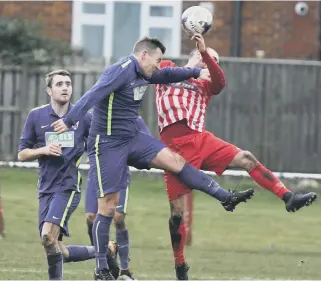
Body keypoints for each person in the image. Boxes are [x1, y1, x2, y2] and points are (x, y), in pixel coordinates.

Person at [51, 36, 255, 280]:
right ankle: (101, 269)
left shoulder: (146, 72)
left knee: (176, 162)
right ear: (144, 55)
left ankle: (225, 197)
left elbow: (168, 75)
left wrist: (195, 72)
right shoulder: (121, 71)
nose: (159, 65)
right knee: (107, 208)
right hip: (108, 143)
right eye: (157, 60)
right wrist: (68, 120)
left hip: (134, 137)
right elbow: (92, 95)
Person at [154, 33, 318, 280]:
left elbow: (220, 82)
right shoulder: (169, 70)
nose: (212, 65)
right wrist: (195, 62)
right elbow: (157, 73)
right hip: (173, 150)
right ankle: (180, 265)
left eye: (215, 61)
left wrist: (207, 55)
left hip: (200, 140)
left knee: (247, 158)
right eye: (207, 59)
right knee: (177, 214)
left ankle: (288, 197)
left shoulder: (207, 85)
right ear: (192, 56)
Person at [18, 69, 119, 280]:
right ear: (49, 90)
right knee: (54, 246)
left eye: (68, 84)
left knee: (48, 236)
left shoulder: (83, 118)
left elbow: (100, 143)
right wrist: (43, 150)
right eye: (59, 84)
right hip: (45, 188)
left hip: (68, 186)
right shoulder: (36, 116)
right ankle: (106, 251)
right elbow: (22, 153)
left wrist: (96, 156)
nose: (65, 88)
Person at [85, 115, 151, 280]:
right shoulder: (93, 117)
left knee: (118, 218)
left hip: (119, 175)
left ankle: (124, 269)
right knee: (91, 218)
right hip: (97, 174)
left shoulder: (133, 118)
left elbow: (147, 143)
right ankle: (104, 264)